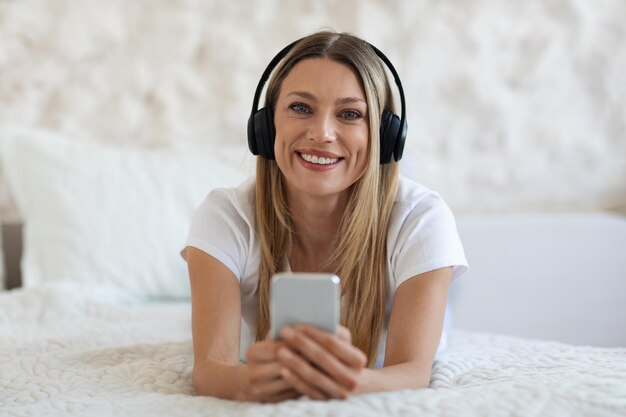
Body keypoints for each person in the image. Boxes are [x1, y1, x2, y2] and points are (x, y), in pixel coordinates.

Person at [182, 30, 468, 402]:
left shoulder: (422, 219)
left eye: (350, 114)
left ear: (384, 136)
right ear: (267, 126)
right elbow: (209, 371)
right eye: (301, 107)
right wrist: (252, 383)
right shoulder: (226, 216)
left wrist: (345, 384)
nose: (322, 133)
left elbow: (412, 373)